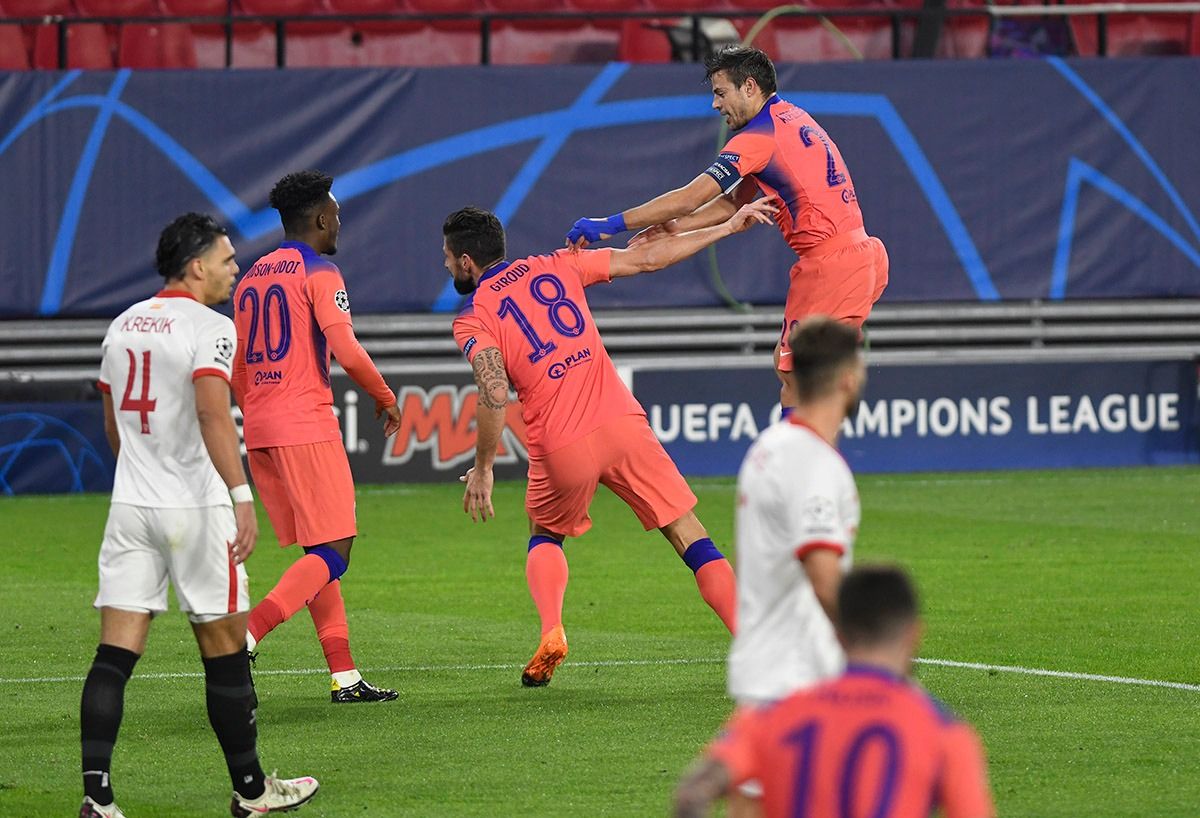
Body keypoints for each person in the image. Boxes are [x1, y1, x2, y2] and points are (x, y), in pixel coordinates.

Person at [446, 199, 777, 687]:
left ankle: (552, 628)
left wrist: (485, 466)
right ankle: (755, 646)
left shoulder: (472, 316)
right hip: (623, 423)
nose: (447, 264)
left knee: (545, 534)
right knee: (689, 533)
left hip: (561, 442)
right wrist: (727, 227)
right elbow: (647, 258)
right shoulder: (558, 264)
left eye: (448, 257)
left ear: (466, 261)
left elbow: (495, 391)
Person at [83, 213, 318, 818]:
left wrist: (139, 478)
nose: (234, 268)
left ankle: (98, 798)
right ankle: (252, 792)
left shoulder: (122, 323)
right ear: (196, 267)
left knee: (115, 655)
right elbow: (216, 415)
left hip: (131, 507)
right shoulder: (211, 326)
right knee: (224, 650)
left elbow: (112, 424)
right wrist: (242, 498)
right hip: (196, 508)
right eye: (226, 259)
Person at [565, 45, 888, 410]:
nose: (715, 105)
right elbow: (732, 202)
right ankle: (805, 455)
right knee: (798, 374)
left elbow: (691, 196)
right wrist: (675, 227)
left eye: (721, 93)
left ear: (749, 87)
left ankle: (797, 463)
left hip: (831, 266)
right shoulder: (792, 117)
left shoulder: (756, 138)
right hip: (862, 256)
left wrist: (610, 224)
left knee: (800, 379)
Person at [233, 170, 403, 703]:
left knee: (317, 550)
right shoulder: (321, 270)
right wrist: (385, 395)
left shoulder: (251, 276)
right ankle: (245, 634)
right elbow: (346, 349)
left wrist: (255, 413)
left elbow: (237, 364)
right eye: (336, 215)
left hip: (261, 423)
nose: (338, 224)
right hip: (304, 421)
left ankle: (344, 675)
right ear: (320, 218)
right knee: (337, 548)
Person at [673, 565, 996, 818]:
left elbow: (692, 794)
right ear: (914, 635)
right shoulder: (943, 730)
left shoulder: (770, 715)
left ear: (837, 635)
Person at [723, 316, 865, 817]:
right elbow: (824, 574)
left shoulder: (769, 447)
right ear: (848, 378)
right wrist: (869, 656)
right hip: (798, 678)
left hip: (766, 666)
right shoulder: (812, 463)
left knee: (750, 803)